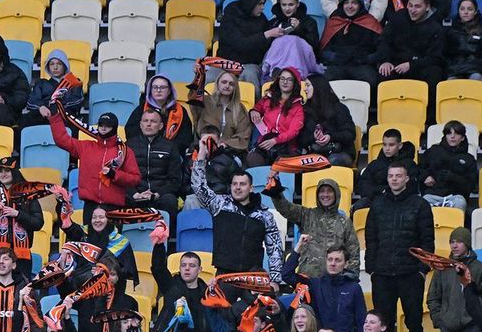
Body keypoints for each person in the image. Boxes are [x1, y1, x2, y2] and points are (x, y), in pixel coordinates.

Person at [364, 158, 435, 332]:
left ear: (406, 179)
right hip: (382, 275)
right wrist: (372, 268)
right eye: (391, 176)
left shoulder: (420, 205)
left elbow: (427, 241)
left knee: (414, 323)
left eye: (398, 176)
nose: (394, 179)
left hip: (411, 274)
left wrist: (422, 270)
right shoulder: (377, 205)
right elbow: (371, 238)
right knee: (384, 326)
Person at [190, 140, 284, 282]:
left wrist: (275, 281)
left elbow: (275, 249)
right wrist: (202, 155)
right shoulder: (220, 205)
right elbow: (199, 187)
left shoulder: (265, 215)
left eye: (242, 184)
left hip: (253, 277)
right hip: (224, 275)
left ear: (251, 188)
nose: (238, 187)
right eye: (234, 184)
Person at [51, 108, 139, 214]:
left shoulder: (125, 152)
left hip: (114, 208)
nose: (103, 128)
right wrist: (55, 117)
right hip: (90, 206)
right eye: (101, 125)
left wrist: (115, 175)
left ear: (114, 128)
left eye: (108, 125)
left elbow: (135, 179)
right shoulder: (85, 147)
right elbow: (62, 140)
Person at [268, 178, 360, 278]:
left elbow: (353, 251)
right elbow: (285, 208)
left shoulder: (344, 221)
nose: (325, 195)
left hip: (334, 281)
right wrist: (275, 187)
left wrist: (350, 277)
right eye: (322, 191)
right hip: (307, 278)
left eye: (329, 191)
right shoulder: (306, 215)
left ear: (336, 194)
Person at [0, 159, 44, 279]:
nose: (3, 174)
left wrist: (18, 214)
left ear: (15, 172)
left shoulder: (28, 194)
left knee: (22, 286)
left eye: (7, 170)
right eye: (0, 171)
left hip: (21, 255)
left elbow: (38, 223)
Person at [285, 240, 366, 332]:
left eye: (337, 260)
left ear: (346, 264)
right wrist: (298, 247)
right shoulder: (315, 284)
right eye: (330, 259)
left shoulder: (354, 288)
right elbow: (287, 275)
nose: (333, 263)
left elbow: (361, 320)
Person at [374, 0, 446, 90]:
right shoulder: (398, 17)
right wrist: (385, 61)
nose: (412, 10)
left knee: (434, 74)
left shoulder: (436, 28)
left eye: (417, 6)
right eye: (410, 5)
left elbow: (436, 58)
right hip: (397, 63)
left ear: (427, 7)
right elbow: (384, 40)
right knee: (383, 72)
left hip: (420, 66)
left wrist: (411, 65)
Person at [317, 0, 382, 89]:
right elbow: (323, 51)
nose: (350, 6)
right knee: (324, 80)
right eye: (346, 3)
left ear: (360, 5)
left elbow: (381, 49)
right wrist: (335, 57)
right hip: (337, 66)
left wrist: (366, 58)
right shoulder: (334, 22)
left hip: (362, 66)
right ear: (342, 5)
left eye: (354, 3)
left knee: (372, 80)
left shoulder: (370, 22)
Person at [217, 0, 278, 85]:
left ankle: (254, 96)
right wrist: (265, 35)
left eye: (263, 4)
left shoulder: (261, 19)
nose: (263, 7)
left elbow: (265, 46)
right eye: (259, 4)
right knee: (211, 76)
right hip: (226, 62)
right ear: (250, 3)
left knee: (250, 74)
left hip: (250, 63)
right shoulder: (230, 18)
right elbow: (240, 44)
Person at [248, 67, 306, 166]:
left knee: (281, 165)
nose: (285, 82)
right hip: (265, 142)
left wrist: (276, 140)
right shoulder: (268, 98)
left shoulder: (298, 107)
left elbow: (293, 131)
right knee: (252, 159)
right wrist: (254, 111)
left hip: (286, 147)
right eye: (282, 78)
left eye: (289, 79)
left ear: (295, 83)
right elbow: (258, 107)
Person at [128, 110, 184, 213]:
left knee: (170, 200)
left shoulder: (170, 147)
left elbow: (175, 180)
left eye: (153, 121)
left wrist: (157, 194)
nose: (148, 124)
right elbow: (123, 176)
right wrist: (135, 194)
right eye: (145, 121)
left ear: (161, 126)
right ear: (140, 125)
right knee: (121, 198)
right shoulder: (129, 146)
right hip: (137, 193)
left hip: (160, 194)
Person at [125, 75, 194, 158]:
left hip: (170, 154)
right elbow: (131, 132)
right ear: (150, 90)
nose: (158, 90)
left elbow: (185, 137)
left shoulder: (180, 111)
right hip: (143, 153)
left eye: (163, 87)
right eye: (155, 87)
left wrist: (167, 149)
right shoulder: (141, 109)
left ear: (169, 91)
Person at [418, 119, 476, 211]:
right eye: (449, 133)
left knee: (460, 202)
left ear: (462, 138)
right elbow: (419, 169)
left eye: (457, 133)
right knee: (423, 202)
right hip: (432, 194)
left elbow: (470, 185)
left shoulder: (469, 159)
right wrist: (425, 177)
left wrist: (453, 177)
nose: (452, 136)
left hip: (456, 197)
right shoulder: (433, 151)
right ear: (445, 136)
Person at [299, 78, 358, 168]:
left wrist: (330, 137)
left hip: (341, 152)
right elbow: (300, 140)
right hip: (315, 153)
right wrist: (313, 137)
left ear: (318, 87)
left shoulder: (339, 108)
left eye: (308, 85)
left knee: (331, 161)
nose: (305, 89)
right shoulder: (305, 111)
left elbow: (350, 134)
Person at [194, 70, 252, 160]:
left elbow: (243, 136)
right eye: (224, 82)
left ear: (235, 88)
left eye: (231, 84)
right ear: (217, 84)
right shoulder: (205, 101)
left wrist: (225, 144)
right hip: (203, 147)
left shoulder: (240, 109)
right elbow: (193, 96)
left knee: (220, 164)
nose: (227, 86)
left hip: (228, 152)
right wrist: (199, 76)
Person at [22, 49, 84, 128]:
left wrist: (56, 108)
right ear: (48, 67)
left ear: (65, 65)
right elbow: (32, 101)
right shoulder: (42, 83)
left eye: (59, 64)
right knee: (25, 120)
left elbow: (77, 101)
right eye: (52, 64)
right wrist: (41, 107)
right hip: (44, 116)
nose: (55, 67)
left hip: (65, 117)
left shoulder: (74, 82)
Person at [355, 128, 420, 202]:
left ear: (400, 146)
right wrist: (382, 190)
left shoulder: (409, 164)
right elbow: (363, 186)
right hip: (376, 201)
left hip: (402, 202)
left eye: (391, 145)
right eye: (384, 145)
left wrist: (384, 191)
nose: (387, 148)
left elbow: (411, 187)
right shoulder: (374, 164)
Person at [446, 0, 482, 82]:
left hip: (477, 69)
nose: (466, 12)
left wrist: (476, 61)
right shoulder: (450, 32)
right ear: (458, 11)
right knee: (451, 82)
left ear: (475, 12)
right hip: (455, 70)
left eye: (470, 9)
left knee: (475, 78)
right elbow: (445, 54)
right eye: (462, 9)